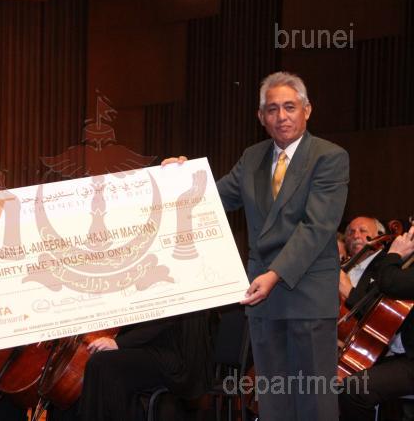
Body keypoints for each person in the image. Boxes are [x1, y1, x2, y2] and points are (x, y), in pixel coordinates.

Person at [164, 71, 349, 420]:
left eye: (290, 107)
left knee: (314, 401)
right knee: (274, 402)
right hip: (262, 299)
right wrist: (178, 176)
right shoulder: (252, 158)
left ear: (307, 110)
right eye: (272, 109)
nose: (282, 117)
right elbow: (212, 198)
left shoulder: (329, 157)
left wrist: (275, 274)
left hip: (306, 294)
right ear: (261, 116)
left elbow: (317, 227)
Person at [49, 311, 213, 421]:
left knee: (101, 363)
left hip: (174, 352)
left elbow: (163, 318)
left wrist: (119, 343)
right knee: (95, 364)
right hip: (148, 345)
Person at [339, 225, 414, 420]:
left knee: (355, 388)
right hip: (404, 356)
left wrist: (395, 253)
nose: (410, 228)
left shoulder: (396, 262)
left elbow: (389, 282)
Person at [339, 217, 385, 309]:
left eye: (363, 231)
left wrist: (347, 289)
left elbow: (380, 311)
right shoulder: (343, 265)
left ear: (379, 236)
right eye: (351, 232)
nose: (355, 236)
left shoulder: (387, 266)